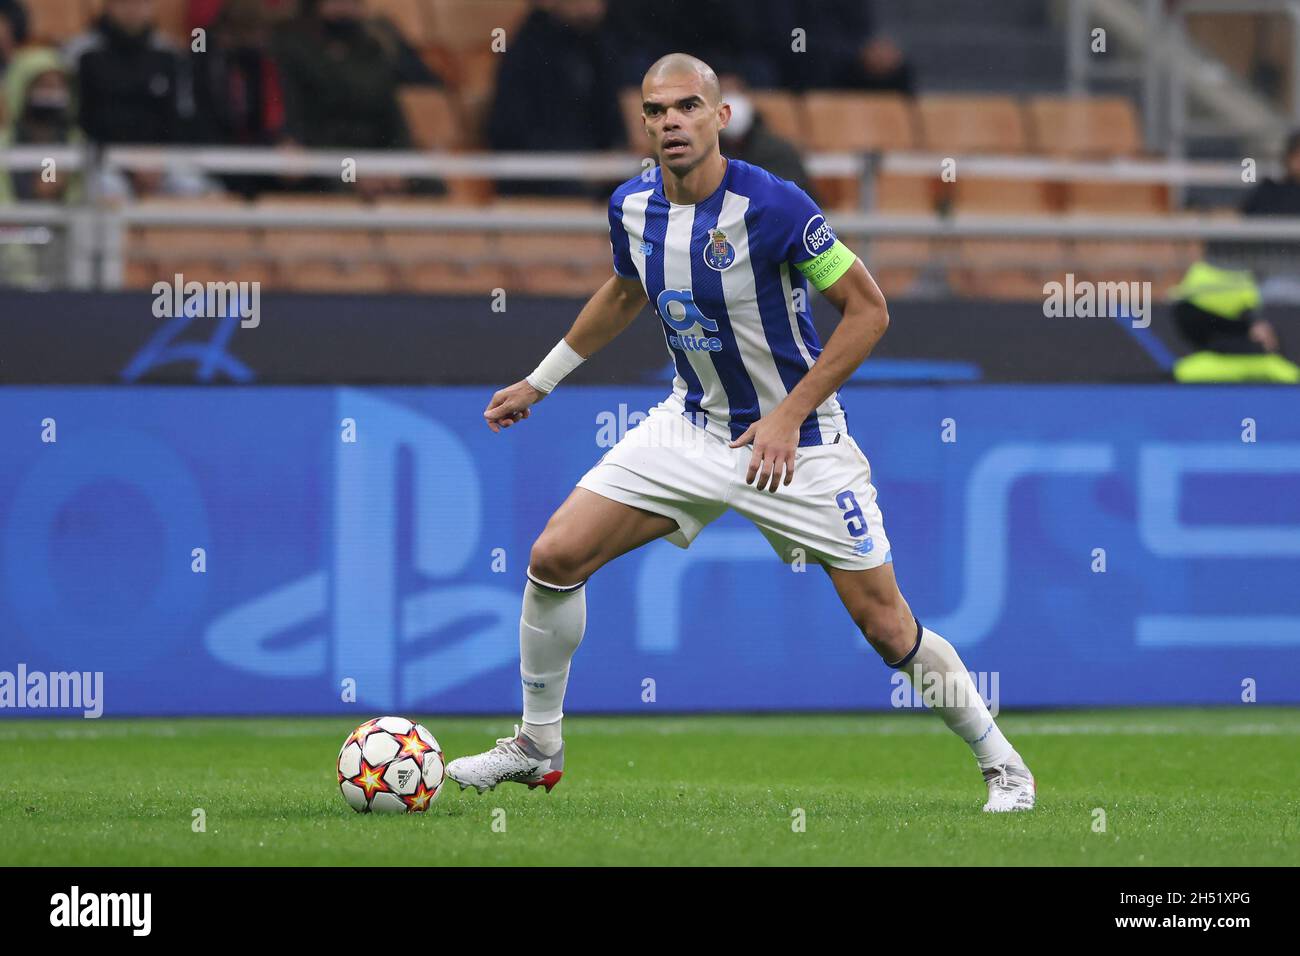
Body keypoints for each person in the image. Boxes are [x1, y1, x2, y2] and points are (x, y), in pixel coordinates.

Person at [447, 54, 1036, 813]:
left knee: (888, 627)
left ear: (720, 117)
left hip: (802, 444)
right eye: (657, 111)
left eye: (688, 107)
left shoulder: (778, 206)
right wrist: (541, 379)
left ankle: (1004, 767)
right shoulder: (631, 205)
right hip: (690, 429)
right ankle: (537, 745)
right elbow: (626, 290)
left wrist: (787, 415)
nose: (671, 123)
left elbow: (870, 312)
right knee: (555, 555)